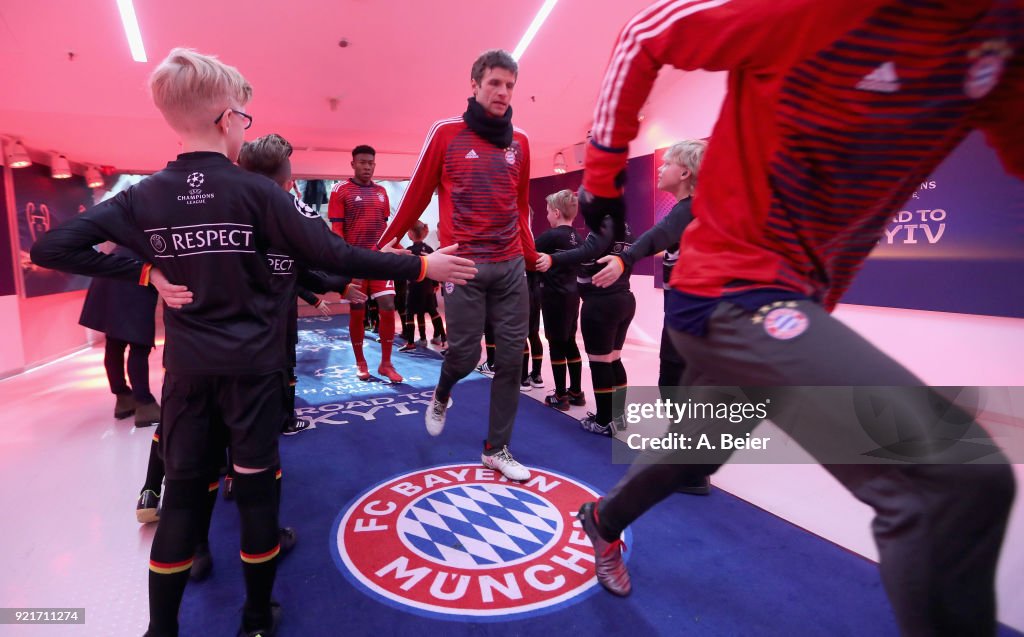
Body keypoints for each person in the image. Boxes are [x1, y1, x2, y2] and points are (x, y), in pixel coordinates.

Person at [572, 3, 1019, 636]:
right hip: (732, 291)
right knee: (954, 483)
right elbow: (646, 32)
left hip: (796, 301)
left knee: (695, 455)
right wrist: (603, 174)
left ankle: (604, 520)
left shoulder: (1000, 34)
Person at [30, 47, 475, 637]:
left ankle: (160, 631)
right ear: (223, 119)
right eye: (244, 116)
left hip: (188, 374)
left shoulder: (144, 197)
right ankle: (257, 619)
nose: (246, 126)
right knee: (258, 492)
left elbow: (51, 249)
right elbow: (334, 256)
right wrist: (421, 268)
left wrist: (147, 272)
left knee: (184, 501)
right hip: (255, 372)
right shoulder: (259, 194)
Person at [377, 49, 539, 481]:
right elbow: (415, 194)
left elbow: (520, 207)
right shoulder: (447, 133)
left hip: (508, 267)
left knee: (510, 360)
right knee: (464, 355)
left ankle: (496, 448)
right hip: (462, 267)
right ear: (474, 85)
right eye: (495, 84)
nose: (503, 92)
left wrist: (530, 254)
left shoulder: (520, 141)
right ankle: (442, 393)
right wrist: (381, 247)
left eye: (510, 85)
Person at [591, 139, 711, 495]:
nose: (659, 168)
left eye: (667, 163)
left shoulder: (690, 209)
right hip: (690, 315)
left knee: (675, 384)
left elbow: (660, 235)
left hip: (689, 318)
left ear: (685, 172)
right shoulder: (698, 210)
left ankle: (689, 470)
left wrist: (623, 259)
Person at [537, 215, 634, 437]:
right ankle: (617, 416)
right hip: (623, 298)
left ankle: (603, 421)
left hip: (601, 303)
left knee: (600, 363)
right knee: (613, 359)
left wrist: (553, 259)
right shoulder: (626, 227)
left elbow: (584, 252)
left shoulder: (603, 226)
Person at [328, 145, 404, 383]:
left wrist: (399, 249)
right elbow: (337, 229)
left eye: (371, 162)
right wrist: (343, 258)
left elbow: (385, 228)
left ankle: (386, 364)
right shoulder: (340, 190)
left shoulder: (382, 192)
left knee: (388, 304)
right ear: (353, 164)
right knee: (358, 310)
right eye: (362, 162)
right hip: (355, 262)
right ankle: (361, 362)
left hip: (379, 260)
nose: (367, 166)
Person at [79, 245, 161, 427]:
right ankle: (144, 403)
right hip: (133, 278)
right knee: (139, 344)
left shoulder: (125, 234)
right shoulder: (150, 233)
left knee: (114, 341)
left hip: (111, 276)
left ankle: (123, 397)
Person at [533, 190, 585, 411]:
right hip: (574, 297)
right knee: (570, 341)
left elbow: (528, 253)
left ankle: (561, 395)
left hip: (554, 297)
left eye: (547, 211)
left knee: (555, 343)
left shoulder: (550, 236)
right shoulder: (579, 237)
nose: (546, 216)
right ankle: (576, 392)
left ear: (556, 212)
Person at [399, 221, 447, 350]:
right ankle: (441, 338)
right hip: (427, 286)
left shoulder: (409, 252)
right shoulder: (430, 249)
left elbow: (405, 271)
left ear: (410, 234)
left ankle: (411, 342)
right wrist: (435, 283)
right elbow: (434, 267)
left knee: (410, 313)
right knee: (431, 311)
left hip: (415, 287)